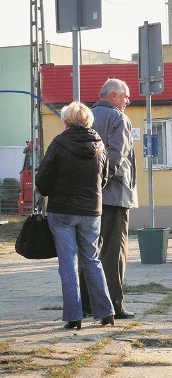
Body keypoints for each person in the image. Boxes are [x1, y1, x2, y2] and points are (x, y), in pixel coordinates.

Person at [35, 102, 115, 330]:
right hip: (91, 212)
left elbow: (42, 179)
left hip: (62, 212)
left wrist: (51, 190)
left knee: (68, 263)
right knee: (92, 260)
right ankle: (106, 312)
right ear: (89, 120)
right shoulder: (100, 146)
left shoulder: (59, 143)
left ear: (66, 121)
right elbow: (105, 178)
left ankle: (74, 317)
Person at [81, 78, 137, 320]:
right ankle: (114, 304)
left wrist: (90, 186)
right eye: (125, 96)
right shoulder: (119, 119)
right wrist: (101, 182)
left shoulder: (86, 117)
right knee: (114, 251)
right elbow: (115, 156)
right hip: (113, 195)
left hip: (87, 198)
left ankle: (87, 304)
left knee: (89, 251)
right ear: (113, 95)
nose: (127, 101)